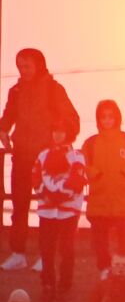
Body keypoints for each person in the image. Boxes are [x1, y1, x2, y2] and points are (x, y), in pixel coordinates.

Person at [1, 49, 80, 272]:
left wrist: (59, 142)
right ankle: (18, 253)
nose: (22, 71)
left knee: (50, 207)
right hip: (21, 155)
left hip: (48, 160)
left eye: (27, 66)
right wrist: (3, 129)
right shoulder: (15, 91)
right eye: (19, 66)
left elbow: (72, 120)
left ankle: (47, 255)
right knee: (19, 204)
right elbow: (8, 116)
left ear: (39, 65)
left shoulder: (54, 90)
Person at [81, 100, 125, 275]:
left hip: (120, 199)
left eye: (111, 116)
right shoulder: (91, 143)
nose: (107, 120)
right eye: (103, 117)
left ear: (117, 118)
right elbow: (81, 164)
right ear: (98, 119)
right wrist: (92, 173)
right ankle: (104, 269)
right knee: (100, 241)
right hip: (98, 199)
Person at [32, 119, 86, 299]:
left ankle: (65, 285)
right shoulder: (42, 154)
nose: (58, 135)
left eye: (62, 131)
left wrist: (59, 196)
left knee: (66, 249)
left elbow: (77, 182)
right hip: (46, 210)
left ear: (69, 133)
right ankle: (48, 284)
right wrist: (45, 195)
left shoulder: (77, 156)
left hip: (68, 210)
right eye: (54, 130)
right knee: (46, 249)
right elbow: (36, 178)